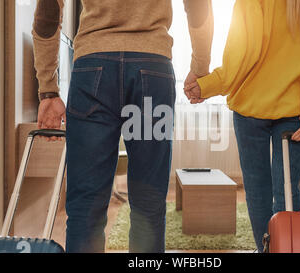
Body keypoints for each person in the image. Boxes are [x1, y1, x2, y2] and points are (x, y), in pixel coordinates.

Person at [32, 0, 214, 253]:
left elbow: (48, 12)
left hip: (93, 68)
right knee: (148, 203)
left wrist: (48, 88)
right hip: (151, 70)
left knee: (86, 205)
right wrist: (201, 66)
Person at [185, 0, 300, 252]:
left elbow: (238, 59)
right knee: (287, 187)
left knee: (257, 189)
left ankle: (266, 248)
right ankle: (286, 248)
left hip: (251, 107)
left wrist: (207, 86)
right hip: (292, 112)